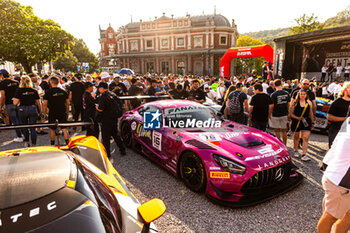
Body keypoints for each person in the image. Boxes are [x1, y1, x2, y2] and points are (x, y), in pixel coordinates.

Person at [318, 117, 350, 233]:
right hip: (341, 183)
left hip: (335, 175)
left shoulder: (349, 120)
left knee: (345, 216)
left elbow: (336, 142)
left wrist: (326, 163)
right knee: (330, 217)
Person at [96, 82, 126, 158]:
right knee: (115, 134)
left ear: (102, 88)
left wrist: (96, 107)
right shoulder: (113, 95)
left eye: (99, 88)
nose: (98, 89)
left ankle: (107, 153)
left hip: (106, 119)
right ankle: (122, 149)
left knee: (105, 137)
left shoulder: (103, 96)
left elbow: (100, 109)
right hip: (114, 118)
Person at [13, 76, 42, 147]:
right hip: (32, 108)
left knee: (24, 126)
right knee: (33, 128)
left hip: (22, 109)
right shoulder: (34, 90)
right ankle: (34, 144)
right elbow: (38, 102)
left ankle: (27, 142)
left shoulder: (19, 90)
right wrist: (41, 111)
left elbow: (15, 103)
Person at [43, 77, 70, 146]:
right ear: (58, 82)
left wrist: (44, 113)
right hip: (62, 111)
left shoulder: (48, 92)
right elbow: (67, 103)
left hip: (52, 111)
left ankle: (52, 144)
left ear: (51, 82)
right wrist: (67, 112)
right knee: (64, 128)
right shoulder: (63, 91)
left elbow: (45, 104)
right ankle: (67, 143)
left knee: (52, 129)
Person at [290, 89, 314, 161]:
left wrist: (312, 123)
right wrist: (297, 117)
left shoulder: (309, 103)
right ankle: (296, 150)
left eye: (304, 94)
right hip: (297, 122)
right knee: (296, 137)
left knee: (305, 138)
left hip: (306, 122)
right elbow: (290, 114)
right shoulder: (295, 103)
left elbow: (311, 113)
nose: (302, 95)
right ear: (299, 94)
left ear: (306, 95)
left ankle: (304, 154)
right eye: (301, 94)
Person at [0, 69, 22, 142]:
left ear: (2, 75)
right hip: (18, 102)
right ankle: (24, 135)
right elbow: (19, 93)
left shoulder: (2, 83)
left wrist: (1, 105)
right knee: (20, 119)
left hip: (9, 103)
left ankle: (19, 137)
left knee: (15, 120)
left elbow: (3, 96)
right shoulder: (16, 82)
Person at [327, 82, 350, 148]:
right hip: (336, 130)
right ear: (345, 90)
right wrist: (344, 119)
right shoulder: (337, 102)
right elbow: (329, 117)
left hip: (348, 132)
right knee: (333, 151)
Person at [270, 79, 290, 145]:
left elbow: (272, 106)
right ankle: (284, 144)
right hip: (284, 114)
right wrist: (288, 112)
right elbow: (288, 104)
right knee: (284, 131)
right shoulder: (287, 93)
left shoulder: (273, 95)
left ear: (274, 86)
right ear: (281, 84)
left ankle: (279, 145)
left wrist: (269, 114)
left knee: (276, 131)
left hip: (275, 114)